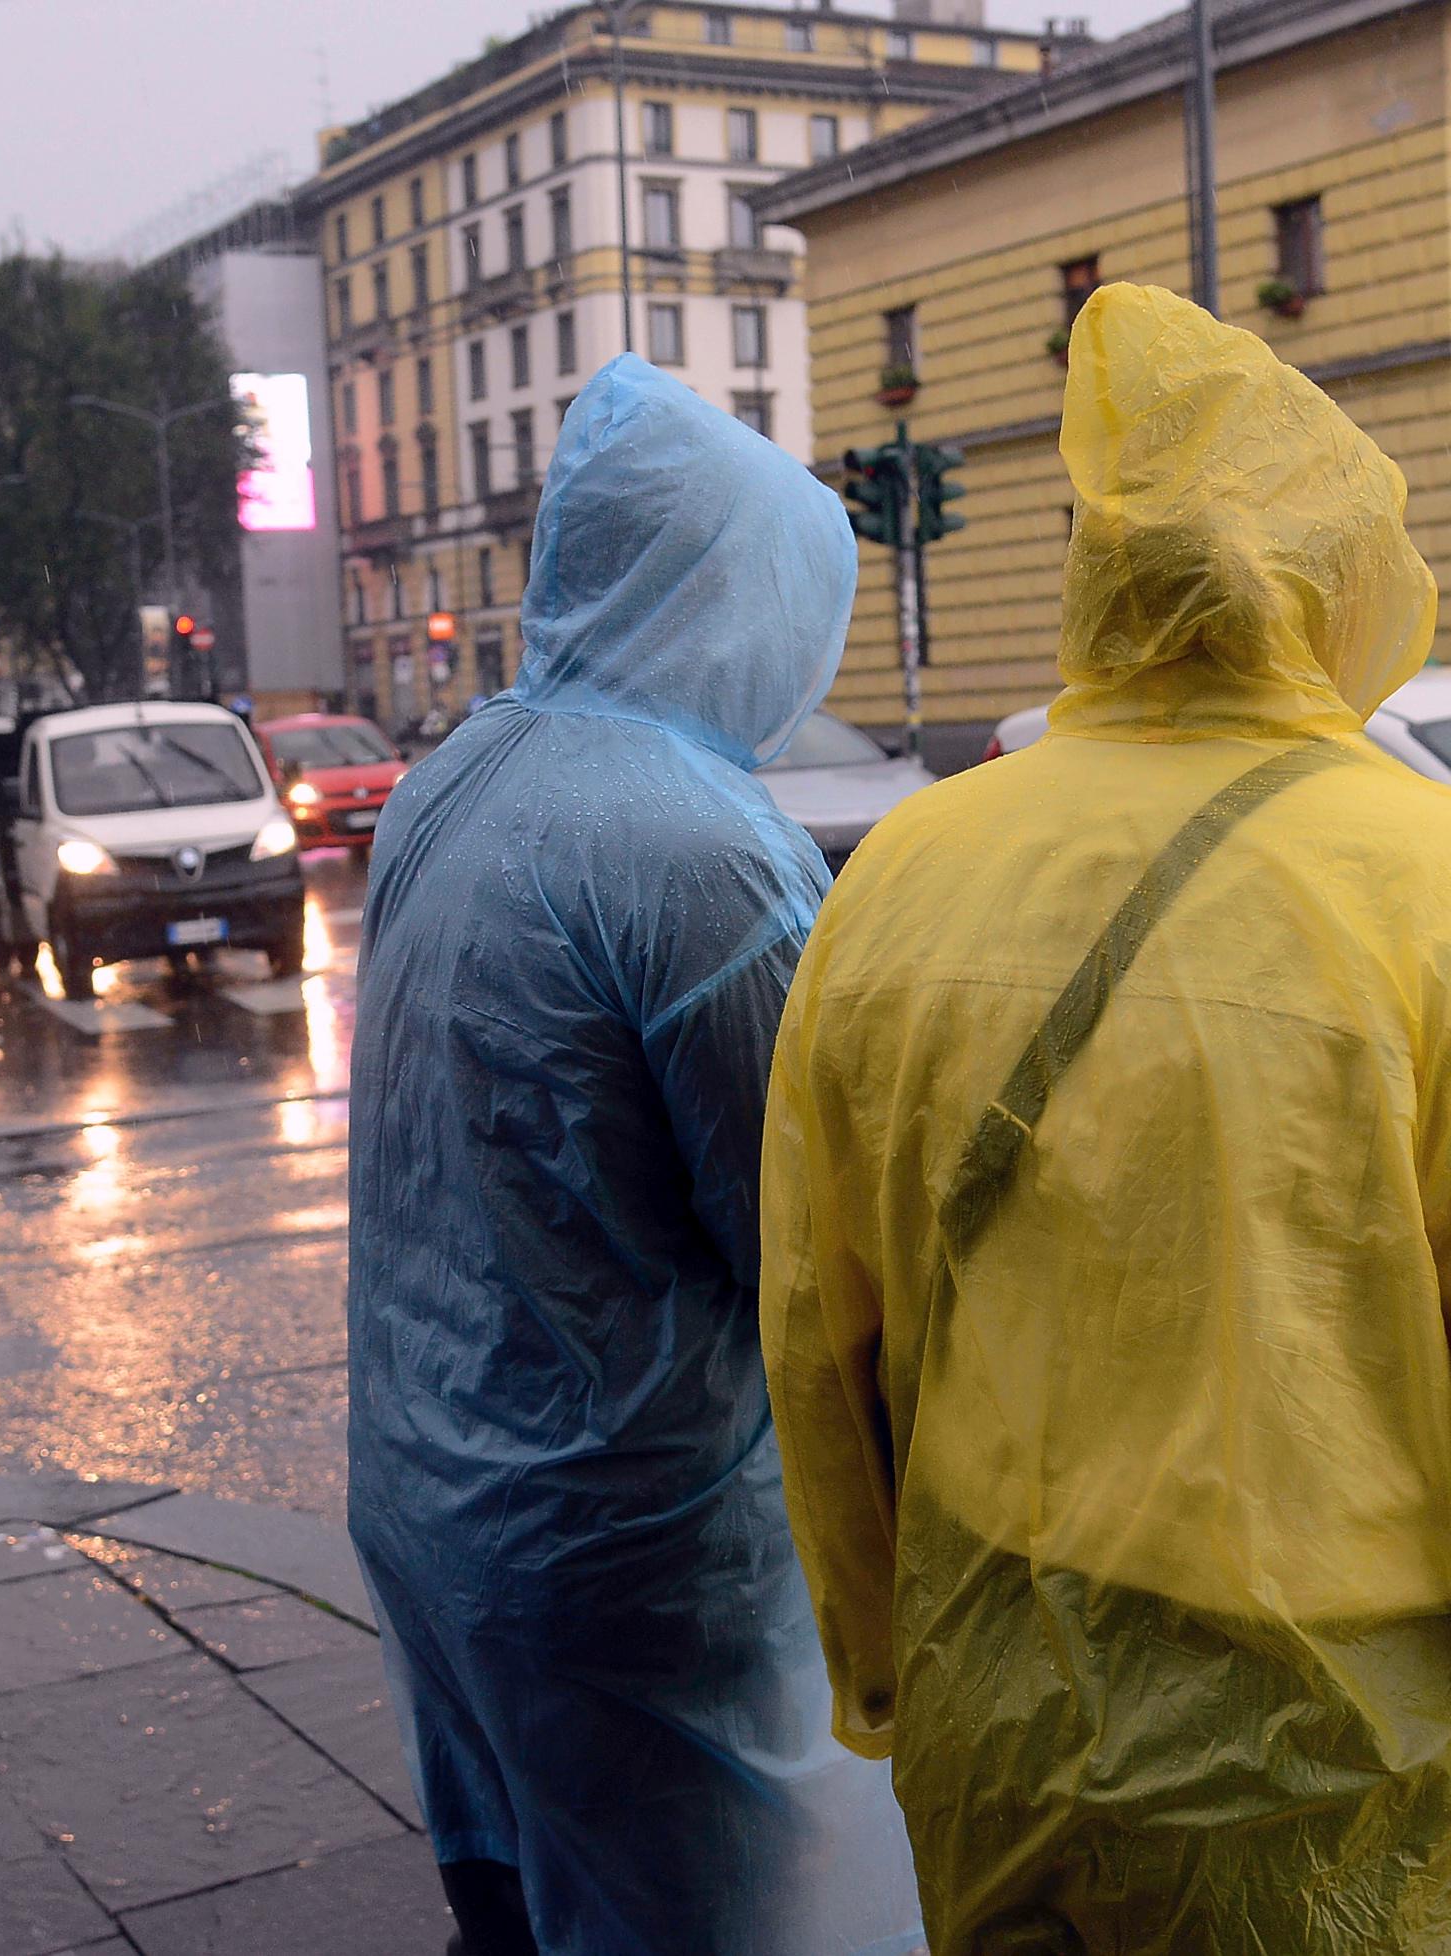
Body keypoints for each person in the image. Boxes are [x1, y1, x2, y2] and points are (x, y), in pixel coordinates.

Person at [761, 284, 1451, 1956]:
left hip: (990, 1722)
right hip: (1324, 1797)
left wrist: (885, 1665)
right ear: (1341, 586)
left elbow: (815, 1334)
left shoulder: (899, 880)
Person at [346, 357, 923, 1956]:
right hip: (634, 1557)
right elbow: (810, 1249)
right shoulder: (696, 850)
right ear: (737, 600)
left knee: (518, 1910)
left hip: (436, 1504)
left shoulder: (449, 780)